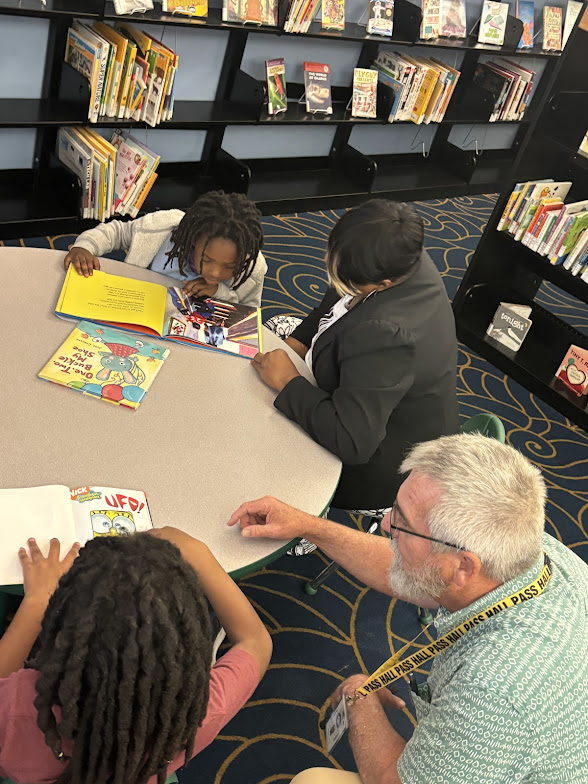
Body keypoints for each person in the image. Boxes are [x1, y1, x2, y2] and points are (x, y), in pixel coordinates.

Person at [227, 433, 588, 784]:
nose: (384, 524)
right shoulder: (525, 546)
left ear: (464, 567)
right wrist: (308, 525)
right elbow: (414, 569)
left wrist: (359, 700)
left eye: (402, 522)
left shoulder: (494, 691)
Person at [0, 528, 272, 784]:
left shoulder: (19, 710)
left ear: (61, 633)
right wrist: (201, 556)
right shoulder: (199, 711)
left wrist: (37, 601)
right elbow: (256, 642)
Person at [254, 200, 459, 512]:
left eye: (343, 274)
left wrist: (289, 380)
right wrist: (295, 345)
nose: (328, 266)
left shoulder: (388, 335)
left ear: (383, 283)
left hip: (379, 464)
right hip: (370, 392)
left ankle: (309, 509)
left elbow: (352, 442)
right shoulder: (396, 254)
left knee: (258, 430)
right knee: (277, 330)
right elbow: (338, 297)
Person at [63, 190, 267, 308]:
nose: (215, 272)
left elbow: (249, 317)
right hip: (139, 306)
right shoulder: (161, 228)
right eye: (207, 259)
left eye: (229, 266)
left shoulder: (254, 270)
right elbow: (116, 232)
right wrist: (85, 246)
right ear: (193, 239)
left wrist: (220, 292)